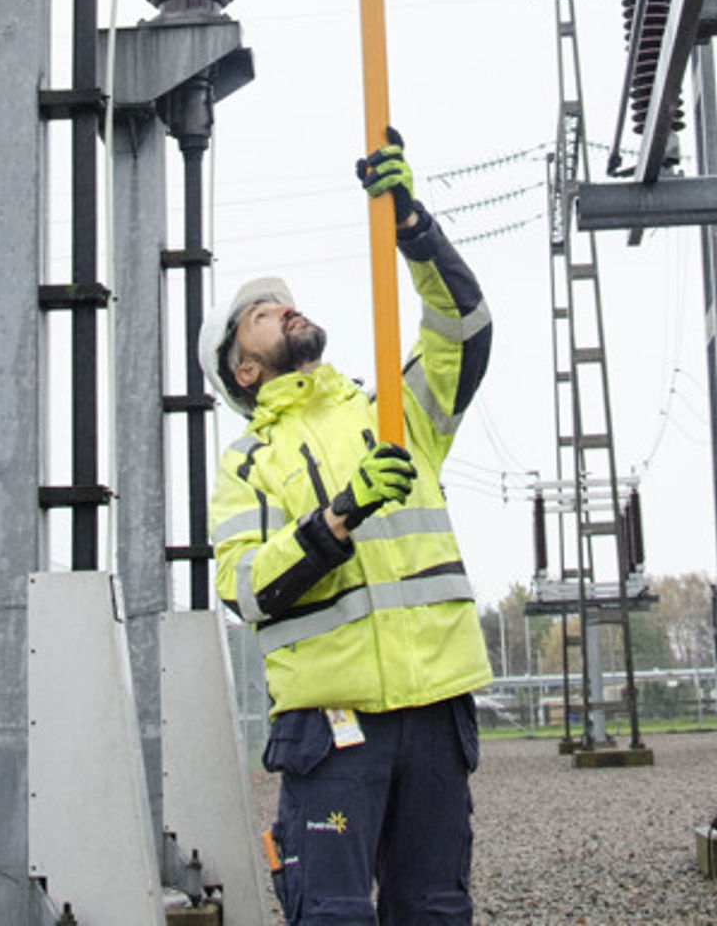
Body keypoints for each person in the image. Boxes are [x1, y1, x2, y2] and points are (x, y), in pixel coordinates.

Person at [202, 129, 494, 926]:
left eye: (284, 301)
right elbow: (243, 588)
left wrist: (412, 227)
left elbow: (463, 328)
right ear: (245, 368)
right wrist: (338, 516)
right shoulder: (248, 462)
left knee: (434, 911)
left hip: (434, 712)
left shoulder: (392, 414)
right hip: (330, 731)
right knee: (331, 915)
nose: (283, 307)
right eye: (263, 314)